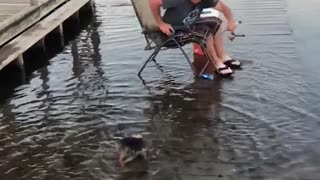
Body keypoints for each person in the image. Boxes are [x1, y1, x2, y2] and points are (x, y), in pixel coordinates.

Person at [149, 0, 241, 76]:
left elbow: (223, 7)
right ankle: (216, 62)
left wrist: (231, 21)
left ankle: (223, 57)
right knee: (204, 31)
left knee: (215, 21)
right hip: (170, 35)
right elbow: (153, 2)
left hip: (186, 28)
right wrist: (161, 24)